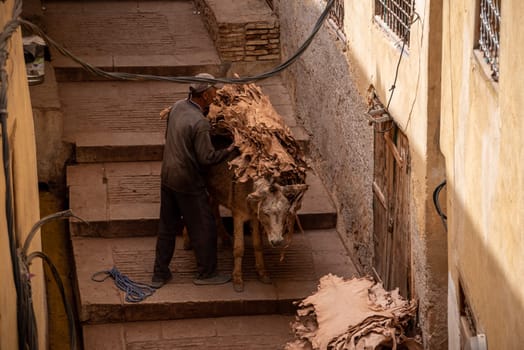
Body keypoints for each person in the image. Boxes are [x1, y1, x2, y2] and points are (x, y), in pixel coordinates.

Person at [151, 73, 235, 288]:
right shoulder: (200, 123)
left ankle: (160, 274)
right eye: (214, 92)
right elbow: (207, 158)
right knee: (204, 226)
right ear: (206, 95)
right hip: (187, 181)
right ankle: (207, 273)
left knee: (167, 227)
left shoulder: (178, 107)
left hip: (167, 175)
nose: (216, 95)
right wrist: (231, 150)